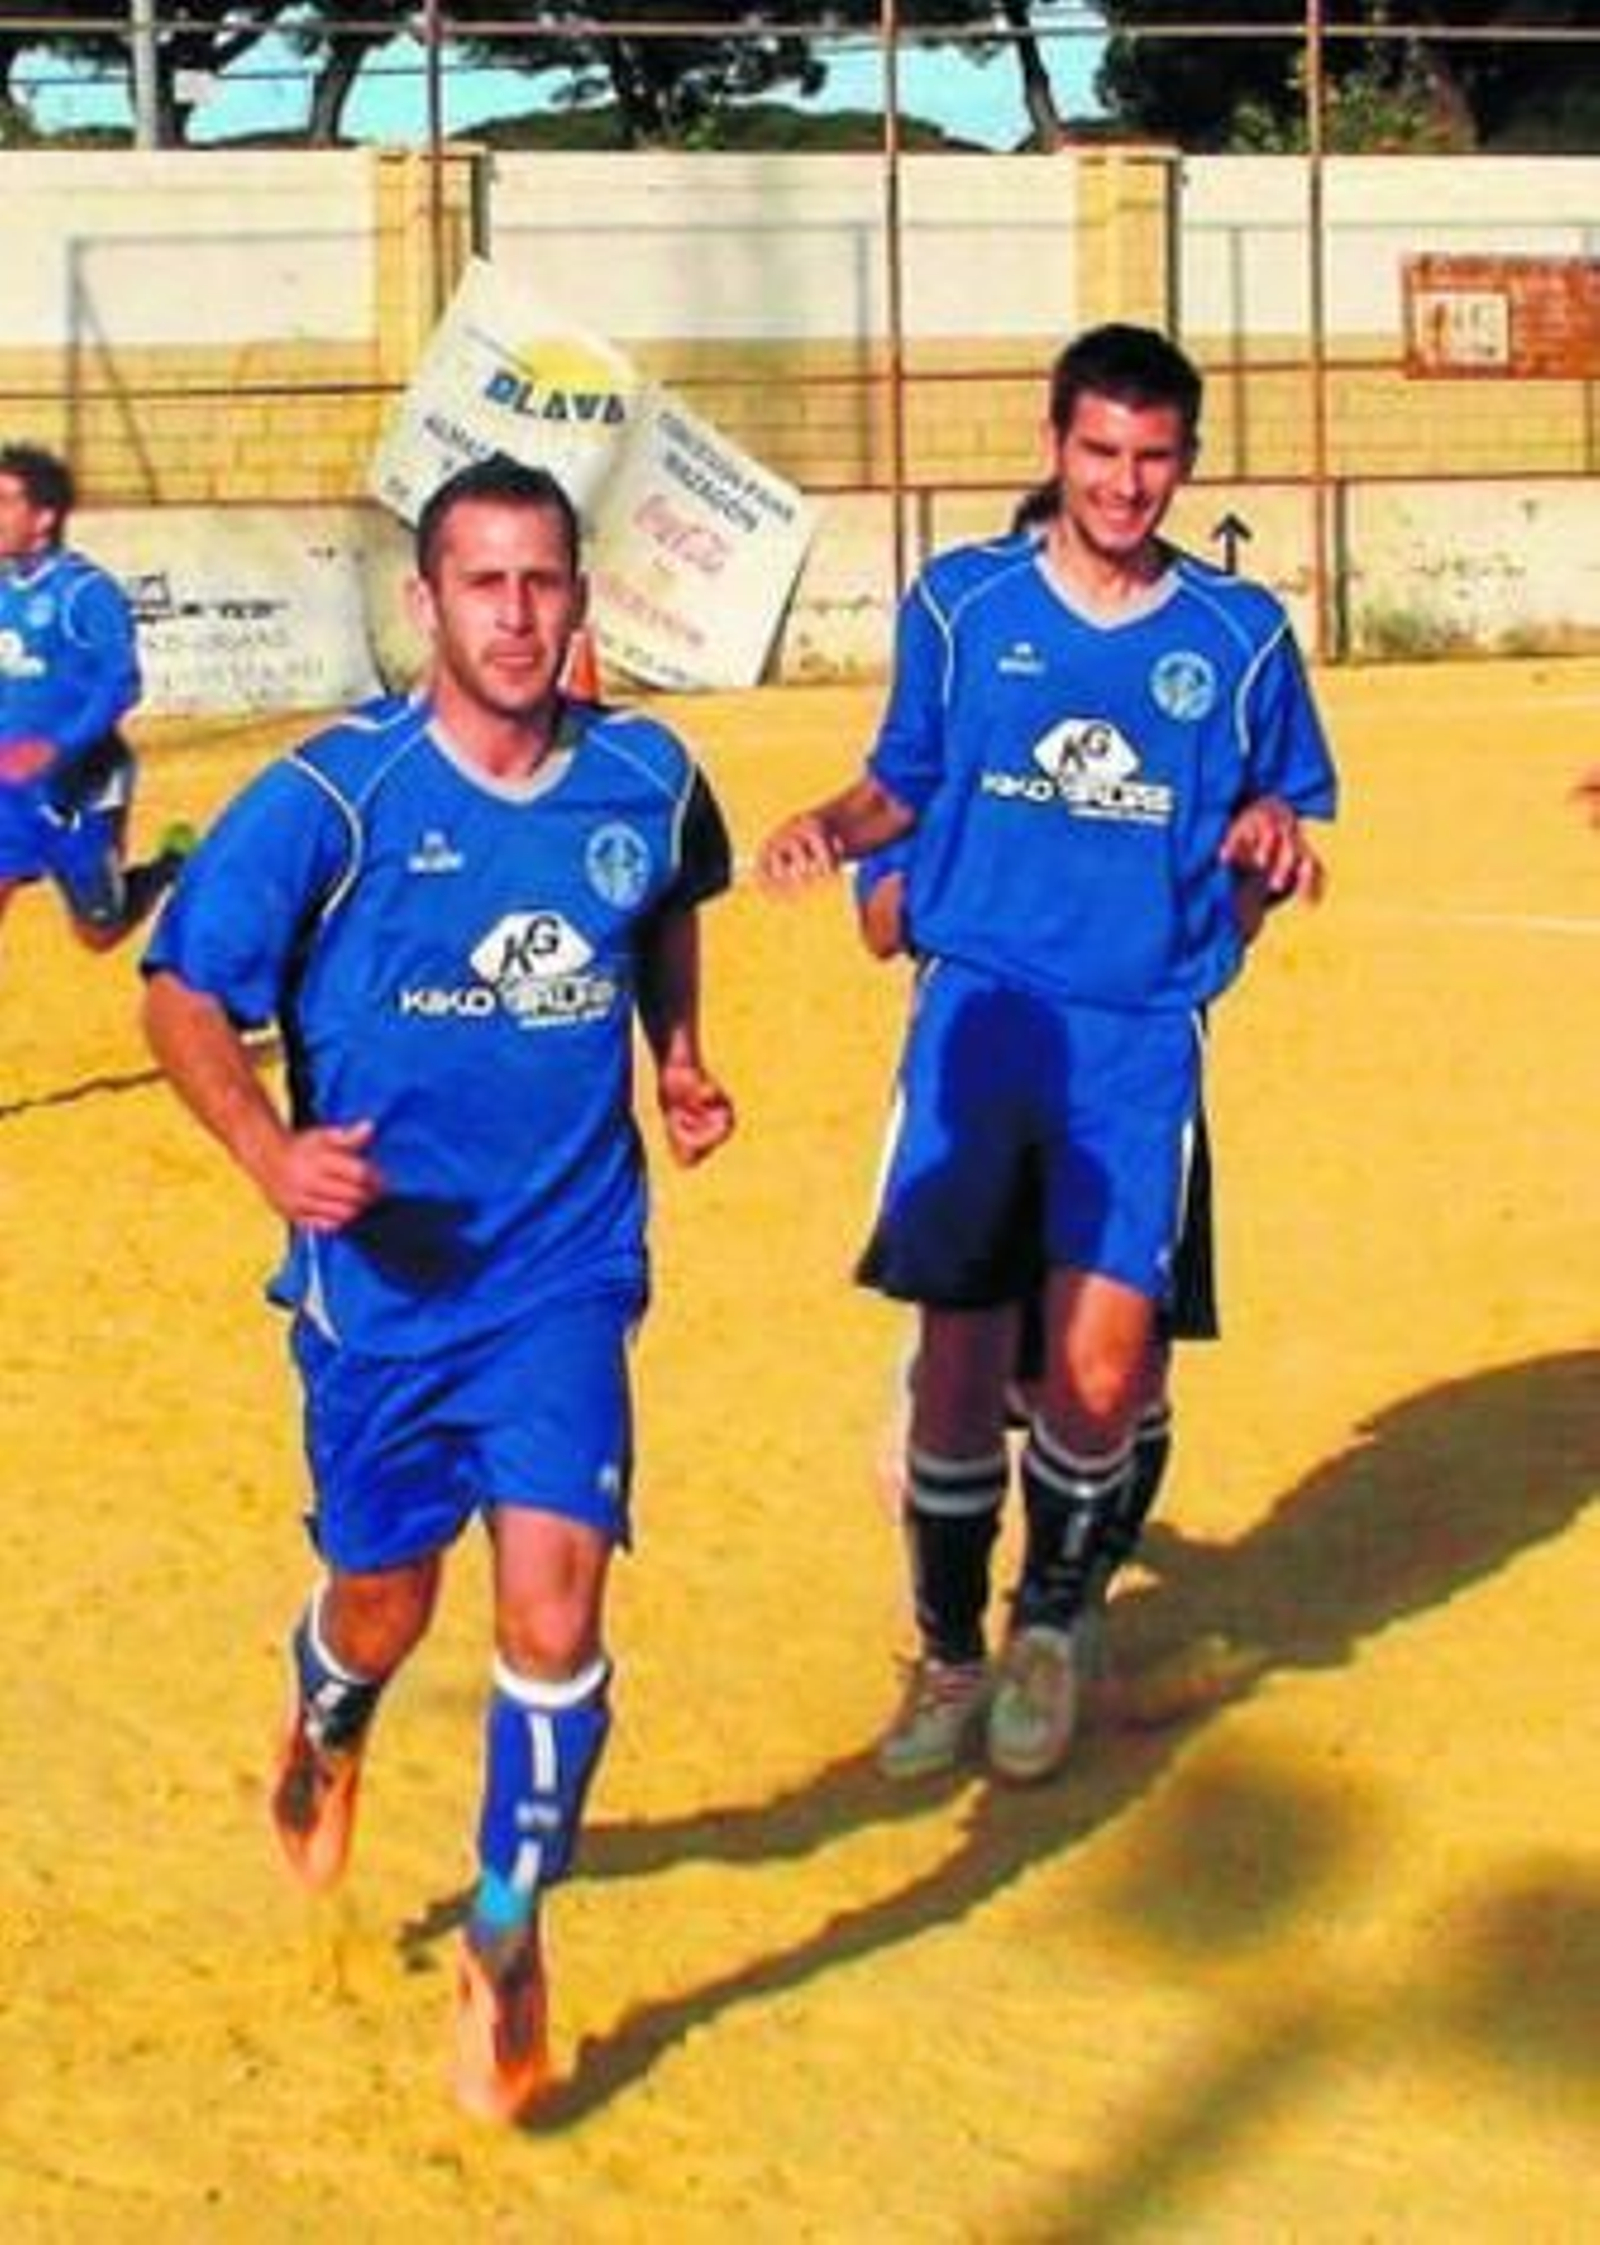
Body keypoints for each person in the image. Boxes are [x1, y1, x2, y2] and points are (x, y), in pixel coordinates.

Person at [142, 455, 735, 2123]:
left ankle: (504, 1926)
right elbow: (182, 993)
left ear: (579, 596)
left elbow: (670, 893)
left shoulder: (646, 774)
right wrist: (269, 1153)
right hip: (382, 1304)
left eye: (546, 581)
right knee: (388, 1602)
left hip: (563, 1276)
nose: (519, 613)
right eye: (485, 582)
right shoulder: (331, 802)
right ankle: (328, 1709)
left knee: (556, 1614)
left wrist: (680, 1057)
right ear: (428, 603)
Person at [760, 323, 1336, 1786]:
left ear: (1187, 462)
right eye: (1100, 452)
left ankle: (1048, 1628)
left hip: (1138, 1038)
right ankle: (947, 1657)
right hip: (979, 1019)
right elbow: (905, 781)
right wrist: (831, 825)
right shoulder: (961, 606)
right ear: (1054, 444)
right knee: (957, 1362)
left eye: (1153, 458)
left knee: (1093, 1370)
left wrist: (1266, 851)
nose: (1125, 483)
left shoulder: (1241, 637)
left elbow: (1278, 822)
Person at [0, 443, 192, 950]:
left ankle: (166, 868)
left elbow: (122, 682)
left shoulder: (86, 593)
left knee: (99, 932)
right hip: (9, 791)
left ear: (43, 518)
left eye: (3, 502)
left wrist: (55, 747)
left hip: (80, 787)